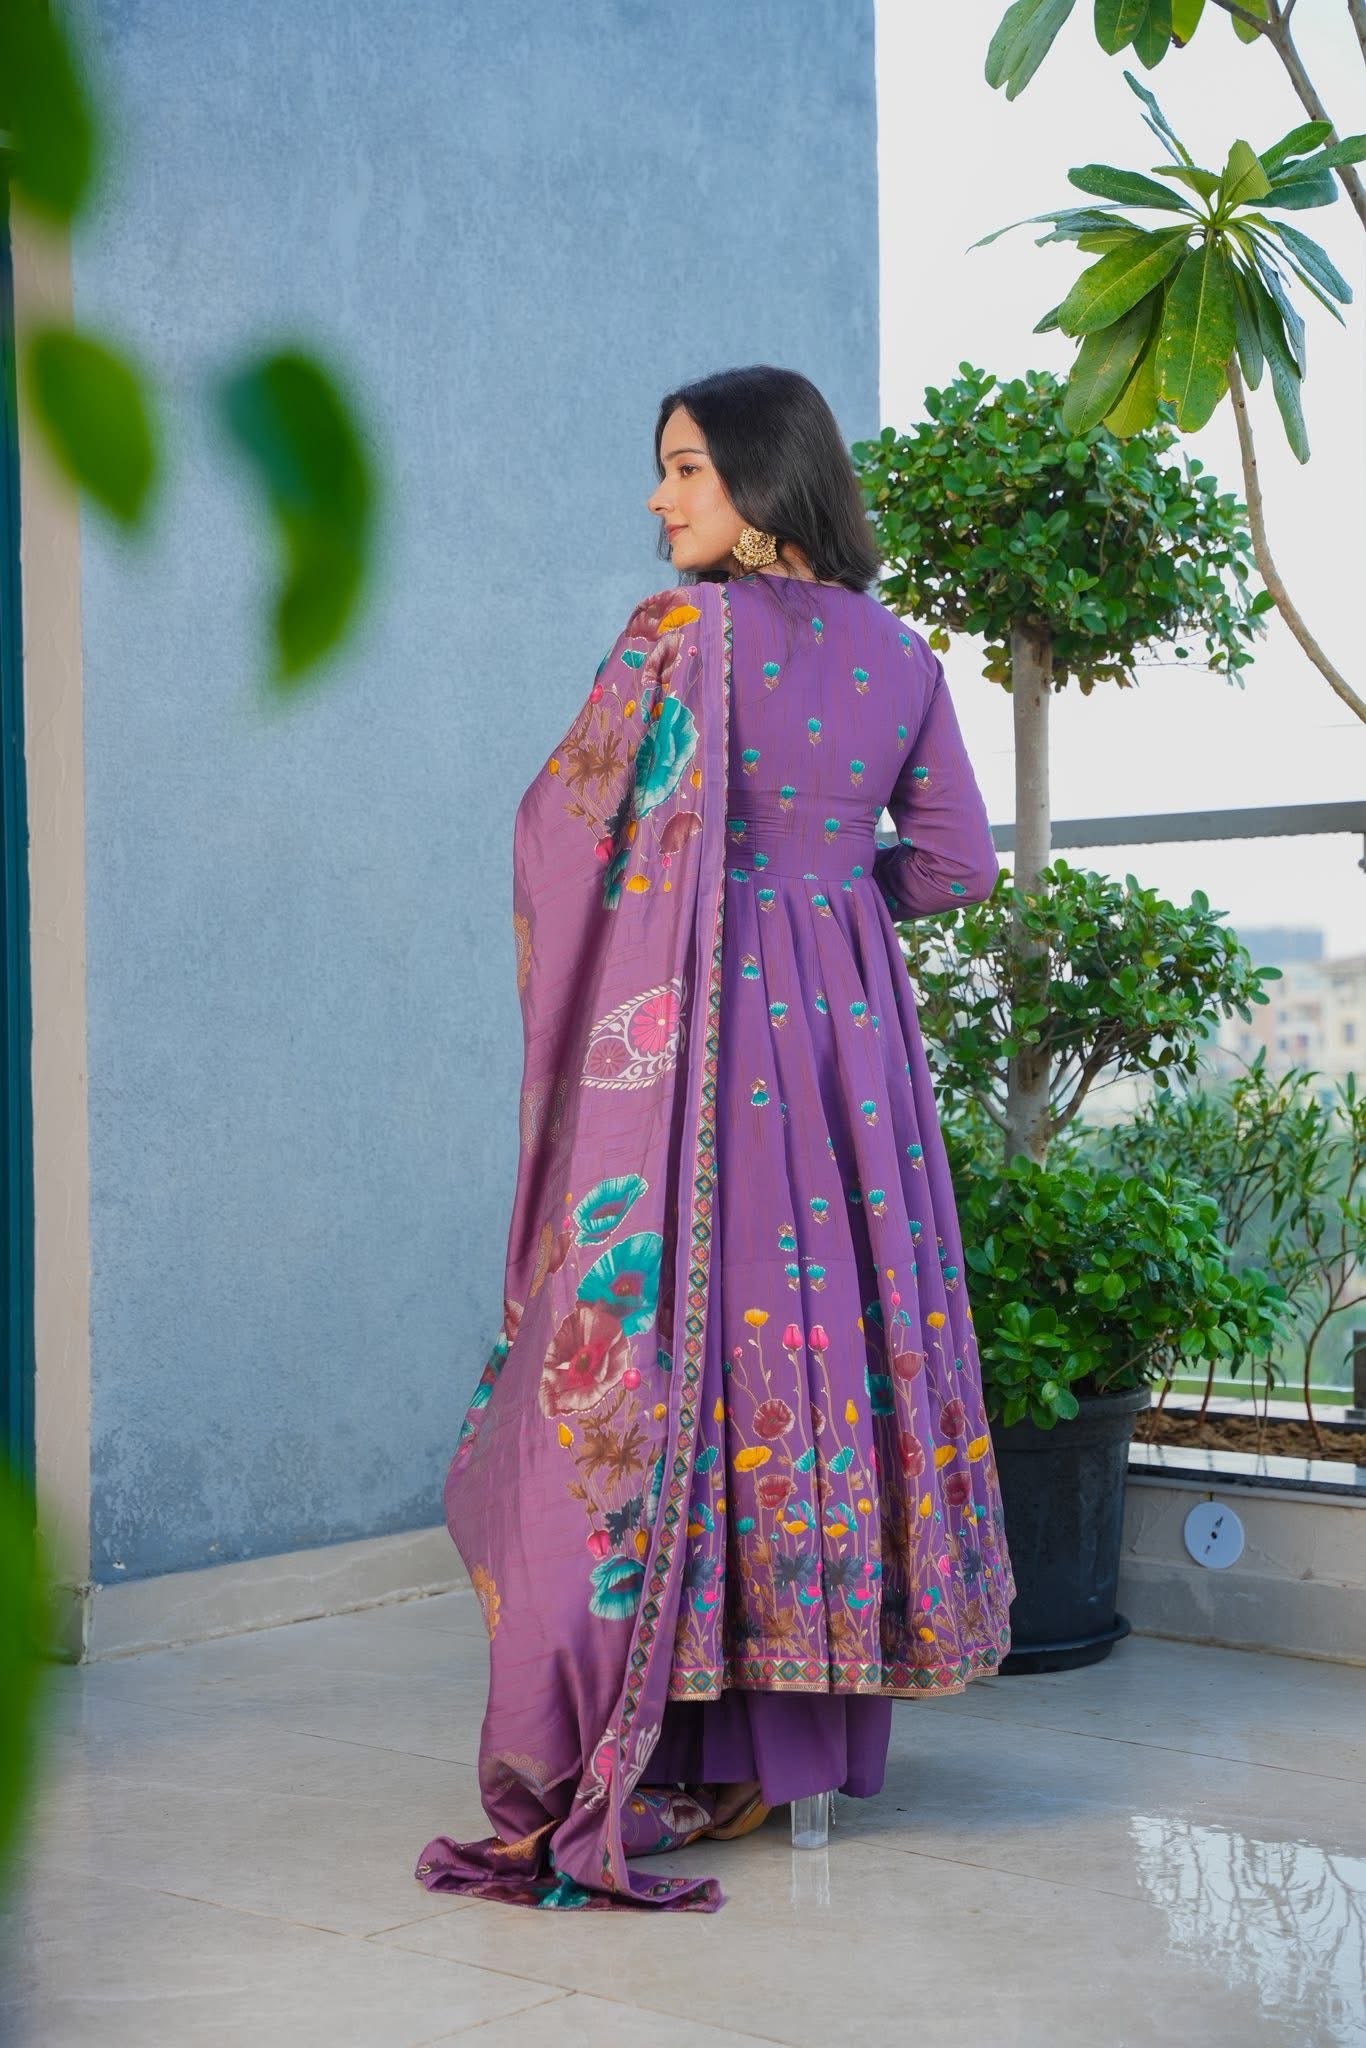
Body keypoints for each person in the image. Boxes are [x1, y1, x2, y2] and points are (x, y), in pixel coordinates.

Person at [414, 366, 1016, 1914]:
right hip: (850, 1055)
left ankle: (680, 1720)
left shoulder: (678, 636)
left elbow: (560, 830)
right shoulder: (902, 654)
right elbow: (954, 865)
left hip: (700, 1034)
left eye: (684, 467)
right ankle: (808, 1742)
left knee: (690, 1345)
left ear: (760, 481)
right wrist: (831, 902)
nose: (658, 497)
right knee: (838, 1337)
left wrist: (710, 894)